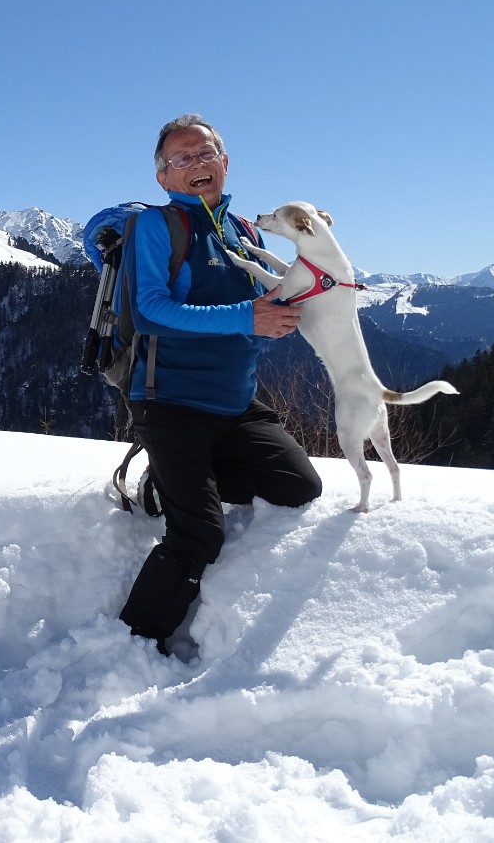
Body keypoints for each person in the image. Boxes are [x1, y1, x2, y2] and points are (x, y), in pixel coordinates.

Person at [115, 113, 322, 656]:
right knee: (199, 534)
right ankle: (131, 644)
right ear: (163, 178)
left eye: (205, 154)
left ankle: (171, 483)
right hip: (170, 403)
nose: (197, 165)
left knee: (298, 486)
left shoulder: (244, 232)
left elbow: (263, 306)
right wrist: (245, 318)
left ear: (225, 163)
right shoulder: (158, 227)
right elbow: (151, 311)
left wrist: (310, 252)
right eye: (181, 159)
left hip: (235, 403)